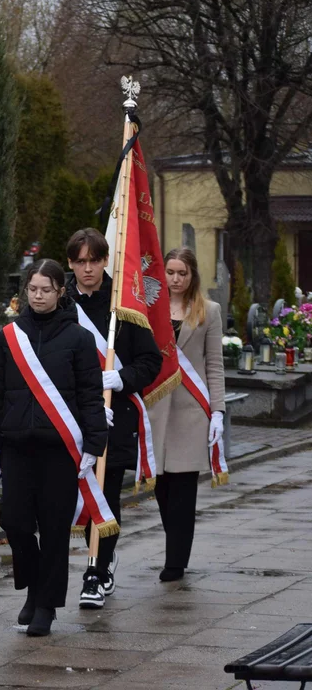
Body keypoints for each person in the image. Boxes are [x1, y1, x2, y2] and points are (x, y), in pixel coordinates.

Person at [0, 259, 109, 637]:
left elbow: (90, 397)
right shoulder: (9, 337)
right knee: (15, 523)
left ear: (59, 292)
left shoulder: (79, 339)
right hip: (17, 447)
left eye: (46, 290)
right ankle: (34, 586)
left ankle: (46, 607)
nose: (38, 296)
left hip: (60, 450)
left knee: (54, 529)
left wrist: (94, 444)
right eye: (32, 290)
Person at [65, 229, 162, 608]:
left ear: (106, 261)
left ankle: (98, 568)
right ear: (70, 263)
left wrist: (120, 378)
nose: (87, 269)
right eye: (80, 261)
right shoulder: (61, 302)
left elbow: (150, 360)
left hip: (114, 415)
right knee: (78, 493)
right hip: (71, 415)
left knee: (105, 493)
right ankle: (94, 559)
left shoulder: (124, 304)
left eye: (94, 260)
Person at [147, 247, 225, 582]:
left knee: (182, 489)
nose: (176, 279)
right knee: (161, 489)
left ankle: (175, 561)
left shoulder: (209, 311)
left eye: (183, 273)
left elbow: (214, 365)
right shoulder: (150, 310)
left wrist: (218, 411)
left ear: (192, 276)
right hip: (156, 410)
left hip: (192, 411)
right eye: (171, 272)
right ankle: (176, 542)